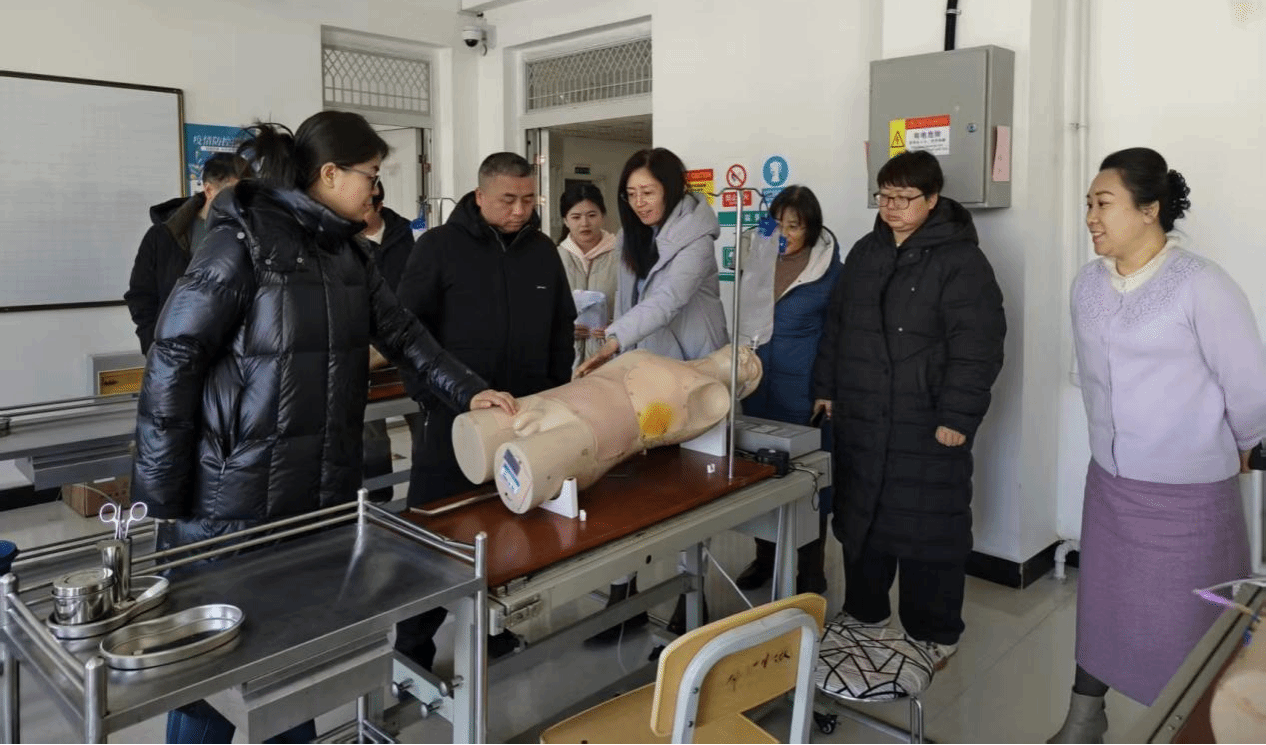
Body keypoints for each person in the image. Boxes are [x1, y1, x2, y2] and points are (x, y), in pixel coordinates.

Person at [131, 111, 516, 745]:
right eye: (371, 174)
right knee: (212, 682)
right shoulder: (242, 244)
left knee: (293, 666)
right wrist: (160, 497)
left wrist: (469, 391)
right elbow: (172, 357)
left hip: (314, 497)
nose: (376, 189)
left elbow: (404, 335)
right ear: (330, 173)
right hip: (231, 502)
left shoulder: (349, 254)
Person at [1048, 148, 1266, 743]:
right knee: (1103, 608)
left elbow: (1248, 386)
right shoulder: (1087, 285)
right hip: (1112, 486)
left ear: (1149, 210)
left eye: (1103, 203)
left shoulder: (1200, 285)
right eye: (1088, 204)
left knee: (1193, 624)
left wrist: (1249, 443)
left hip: (1188, 499)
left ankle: (1196, 726)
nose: (1090, 217)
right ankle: (1084, 719)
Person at [811, 150, 1006, 671]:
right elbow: (837, 325)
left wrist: (957, 417)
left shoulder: (961, 262)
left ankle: (934, 631)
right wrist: (826, 386)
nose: (892, 206)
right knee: (861, 519)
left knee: (929, 529)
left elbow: (979, 346)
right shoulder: (866, 251)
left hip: (925, 418)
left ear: (933, 199)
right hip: (861, 413)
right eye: (885, 196)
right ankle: (865, 611)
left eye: (904, 197)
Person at [393, 151, 576, 668]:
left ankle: (490, 630)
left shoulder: (542, 251)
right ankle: (413, 647)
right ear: (480, 196)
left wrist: (555, 397)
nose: (519, 211)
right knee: (434, 534)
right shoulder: (439, 248)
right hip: (455, 422)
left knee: (507, 527)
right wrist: (431, 398)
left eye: (528, 200)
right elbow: (407, 333)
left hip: (524, 421)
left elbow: (561, 326)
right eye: (507, 200)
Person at [574, 147, 729, 641]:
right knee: (629, 482)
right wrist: (608, 349)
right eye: (631, 194)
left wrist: (615, 339)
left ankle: (692, 603)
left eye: (649, 192)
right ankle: (624, 596)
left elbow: (667, 300)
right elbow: (628, 302)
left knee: (691, 489)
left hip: (693, 375)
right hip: (643, 375)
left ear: (673, 188)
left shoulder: (697, 238)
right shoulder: (632, 236)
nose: (639, 202)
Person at [733, 185, 841, 596]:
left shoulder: (829, 271)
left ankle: (811, 571)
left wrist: (827, 389)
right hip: (758, 386)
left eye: (793, 226)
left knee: (809, 480)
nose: (783, 234)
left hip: (804, 391)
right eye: (777, 224)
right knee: (762, 473)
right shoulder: (757, 262)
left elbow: (838, 336)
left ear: (811, 228)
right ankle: (766, 558)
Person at [124, 152, 251, 354]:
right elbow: (140, 295)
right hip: (172, 352)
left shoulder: (252, 235)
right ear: (209, 190)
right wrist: (152, 345)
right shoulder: (163, 236)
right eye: (234, 193)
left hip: (232, 355)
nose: (242, 202)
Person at [360, 181, 419, 502]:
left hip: (409, 350)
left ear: (379, 205)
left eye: (366, 205)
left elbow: (420, 293)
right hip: (366, 357)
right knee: (373, 439)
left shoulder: (408, 236)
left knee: (423, 427)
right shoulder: (343, 242)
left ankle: (425, 498)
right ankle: (379, 505)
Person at [556, 182, 618, 369]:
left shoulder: (622, 255)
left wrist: (618, 328)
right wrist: (564, 329)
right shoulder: (554, 257)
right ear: (565, 220)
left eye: (592, 215)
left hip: (611, 358)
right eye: (576, 217)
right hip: (566, 359)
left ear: (603, 216)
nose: (584, 223)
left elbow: (638, 304)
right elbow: (542, 310)